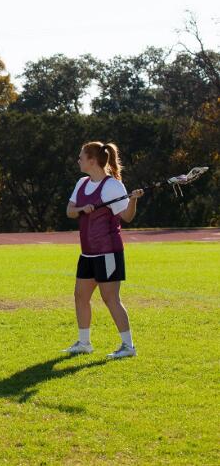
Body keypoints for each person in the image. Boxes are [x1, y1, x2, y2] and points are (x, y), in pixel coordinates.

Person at [64, 142, 143, 359]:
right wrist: (82, 209)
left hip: (108, 252)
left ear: (92, 160)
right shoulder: (82, 183)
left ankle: (128, 347)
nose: (78, 160)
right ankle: (84, 343)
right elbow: (70, 211)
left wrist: (133, 200)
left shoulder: (112, 187)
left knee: (110, 299)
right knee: (80, 296)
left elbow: (126, 216)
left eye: (81, 156)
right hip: (88, 252)